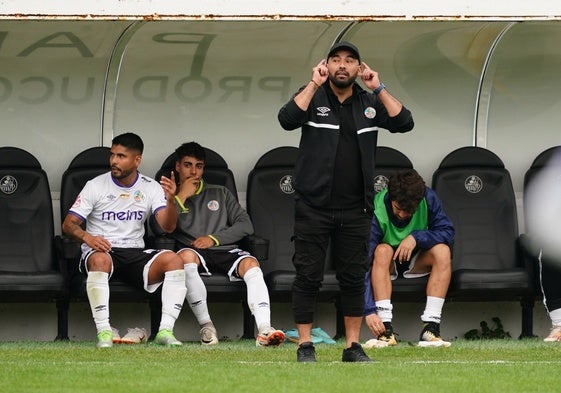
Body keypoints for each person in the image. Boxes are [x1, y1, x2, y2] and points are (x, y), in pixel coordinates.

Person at [277, 41, 414, 362]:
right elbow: (286, 119)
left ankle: (352, 346)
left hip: (356, 208)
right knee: (307, 276)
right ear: (326, 65)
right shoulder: (313, 96)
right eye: (336, 60)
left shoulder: (369, 101)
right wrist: (313, 83)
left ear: (359, 68)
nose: (342, 65)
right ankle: (305, 344)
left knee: (353, 277)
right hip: (313, 206)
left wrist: (378, 86)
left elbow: (404, 122)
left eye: (350, 61)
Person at [62, 132, 187, 348]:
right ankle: (104, 333)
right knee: (100, 260)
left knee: (174, 261)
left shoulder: (150, 186)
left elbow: (168, 226)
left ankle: (165, 330)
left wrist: (171, 201)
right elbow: (68, 224)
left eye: (121, 156)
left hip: (134, 253)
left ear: (137, 160)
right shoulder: (95, 185)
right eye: (112, 155)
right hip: (102, 252)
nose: (113, 161)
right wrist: (88, 237)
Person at [163, 141, 285, 347]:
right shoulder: (168, 193)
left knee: (252, 265)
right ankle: (207, 325)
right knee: (184, 257)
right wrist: (180, 197)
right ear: (177, 166)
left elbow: (246, 225)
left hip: (224, 249)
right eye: (187, 165)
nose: (193, 172)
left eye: (199, 166)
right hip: (193, 252)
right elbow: (159, 229)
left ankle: (264, 329)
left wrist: (213, 238)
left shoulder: (220, 192)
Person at [364, 169, 454, 347]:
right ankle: (385, 330)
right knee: (382, 250)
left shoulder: (428, 198)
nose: (403, 215)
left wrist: (416, 237)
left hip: (417, 260)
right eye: (399, 209)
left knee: (443, 251)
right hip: (386, 265)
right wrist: (368, 309)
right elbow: (362, 263)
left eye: (409, 211)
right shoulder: (376, 207)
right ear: (391, 198)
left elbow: (448, 232)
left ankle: (431, 327)